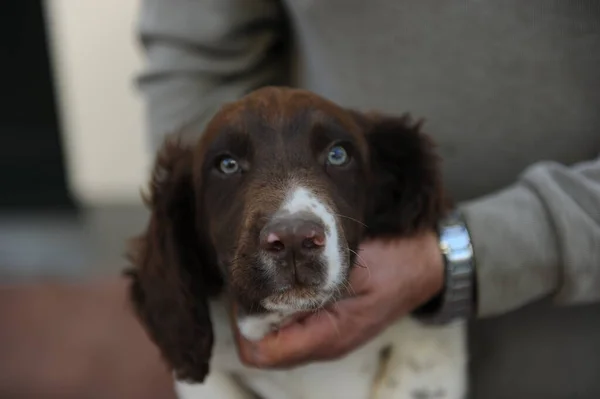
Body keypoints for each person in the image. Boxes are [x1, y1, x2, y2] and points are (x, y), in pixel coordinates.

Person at [135, 1, 600, 397]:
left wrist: (446, 259)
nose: (293, 230)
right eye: (228, 166)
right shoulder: (188, 217)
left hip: (573, 330)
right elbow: (199, 53)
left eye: (338, 154)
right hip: (316, 349)